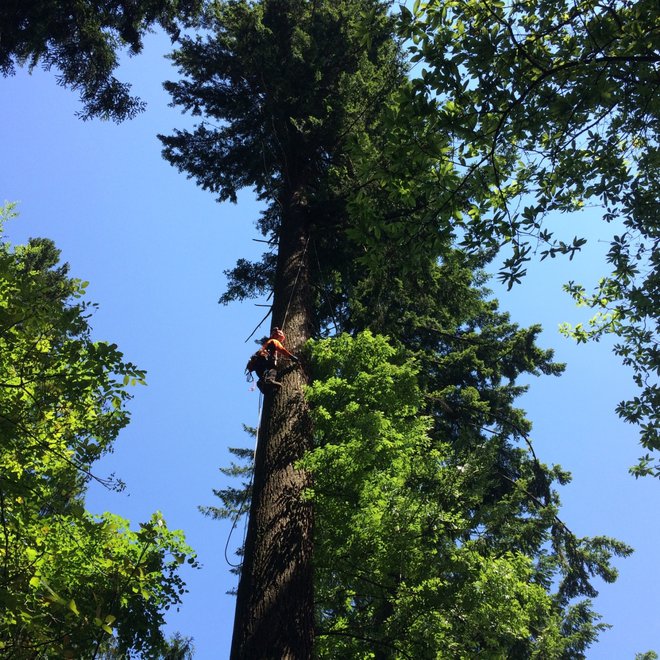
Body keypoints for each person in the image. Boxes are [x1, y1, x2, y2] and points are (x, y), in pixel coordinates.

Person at [246, 327, 299, 393]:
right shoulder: (274, 341)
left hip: (258, 365)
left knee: (263, 376)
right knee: (273, 369)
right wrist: (292, 357)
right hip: (264, 359)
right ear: (277, 336)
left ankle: (261, 384)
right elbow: (282, 350)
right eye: (281, 338)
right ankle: (269, 381)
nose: (281, 340)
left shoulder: (265, 345)